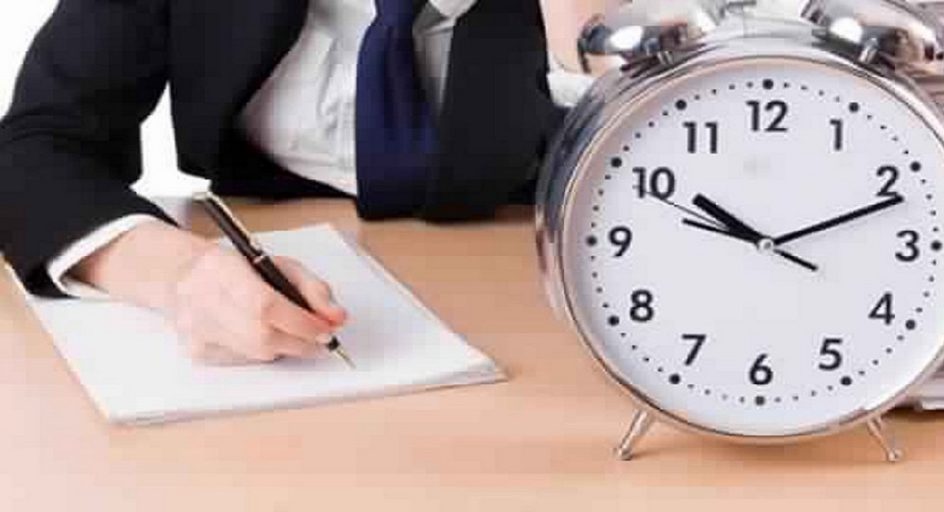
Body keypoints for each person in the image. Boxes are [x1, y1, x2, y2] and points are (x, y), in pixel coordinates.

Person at [0, 0, 617, 365]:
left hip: (556, 318)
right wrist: (177, 273)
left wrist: (592, 32)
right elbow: (35, 145)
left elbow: (662, 167)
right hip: (301, 341)